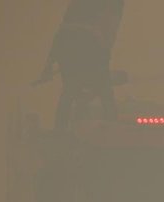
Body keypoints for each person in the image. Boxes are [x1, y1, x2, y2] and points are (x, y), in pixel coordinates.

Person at [34, 0, 125, 131]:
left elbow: (62, 31)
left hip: (66, 40)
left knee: (69, 90)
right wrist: (104, 61)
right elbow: (109, 29)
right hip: (89, 40)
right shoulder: (113, 4)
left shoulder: (76, 6)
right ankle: (113, 127)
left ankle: (60, 132)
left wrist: (48, 65)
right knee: (104, 90)